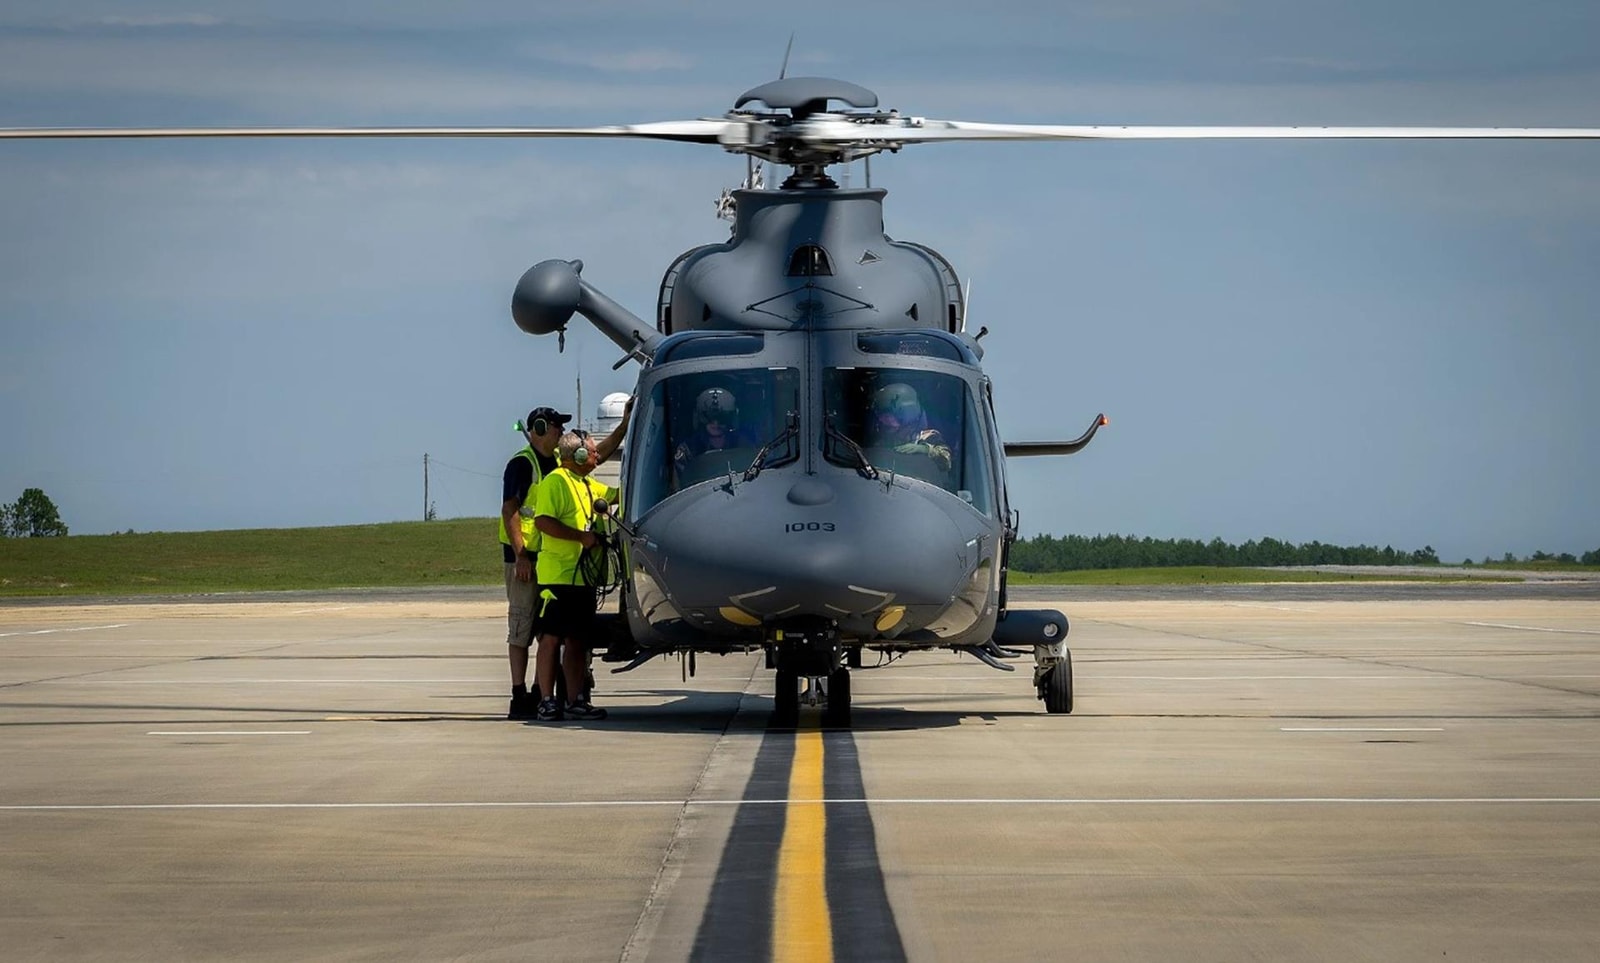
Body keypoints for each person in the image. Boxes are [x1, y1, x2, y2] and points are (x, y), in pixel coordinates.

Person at [502, 401, 631, 721]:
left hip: (579, 576)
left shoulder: (581, 480)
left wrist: (626, 425)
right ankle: (529, 696)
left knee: (575, 639)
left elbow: (614, 487)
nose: (560, 429)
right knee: (535, 632)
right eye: (556, 425)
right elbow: (521, 514)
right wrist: (522, 555)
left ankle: (569, 698)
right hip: (547, 568)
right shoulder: (542, 472)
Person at [532, 431, 620, 721]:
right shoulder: (555, 482)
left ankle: (575, 701)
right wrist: (581, 538)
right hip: (558, 576)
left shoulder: (586, 484)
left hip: (582, 578)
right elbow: (543, 521)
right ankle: (546, 700)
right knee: (551, 638)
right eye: (593, 452)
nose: (597, 457)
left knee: (578, 640)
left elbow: (616, 495)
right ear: (578, 456)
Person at [866, 382, 952, 473]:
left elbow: (946, 462)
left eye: (888, 416)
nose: (882, 420)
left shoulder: (927, 436)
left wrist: (925, 450)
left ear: (905, 415)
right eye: (881, 416)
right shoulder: (883, 437)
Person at [673, 386, 757, 478]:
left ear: (732, 418)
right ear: (699, 418)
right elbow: (680, 485)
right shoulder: (688, 450)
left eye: (722, 418)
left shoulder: (743, 445)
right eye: (709, 417)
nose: (716, 423)